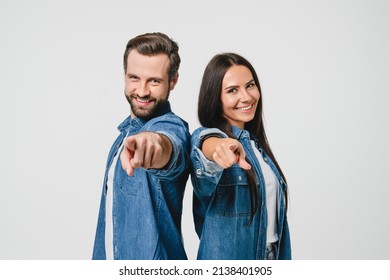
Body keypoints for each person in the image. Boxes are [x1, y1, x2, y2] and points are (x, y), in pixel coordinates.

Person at [92, 32, 191, 260]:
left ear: (173, 81)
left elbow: (167, 146)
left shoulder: (172, 128)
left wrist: (153, 144)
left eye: (154, 81)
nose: (143, 91)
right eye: (134, 78)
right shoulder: (123, 137)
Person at [190, 53, 291, 260]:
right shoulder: (206, 137)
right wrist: (220, 146)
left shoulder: (258, 149)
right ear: (215, 99)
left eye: (250, 85)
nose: (246, 97)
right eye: (232, 90)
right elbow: (206, 146)